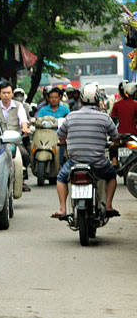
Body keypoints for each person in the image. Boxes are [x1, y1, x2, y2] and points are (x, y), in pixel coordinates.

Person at [52, 83, 121, 219]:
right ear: (97, 100)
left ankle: (62, 209)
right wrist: (114, 144)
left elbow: (60, 136)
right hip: (98, 163)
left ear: (81, 100)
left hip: (75, 162)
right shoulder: (105, 118)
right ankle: (108, 206)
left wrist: (63, 142)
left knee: (61, 178)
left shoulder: (70, 116)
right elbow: (116, 138)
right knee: (112, 176)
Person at [0, 83, 32, 192]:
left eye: (8, 93)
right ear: (0, 94)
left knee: (25, 155)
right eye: (4, 93)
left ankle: (22, 180)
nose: (6, 95)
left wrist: (25, 128)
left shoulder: (18, 106)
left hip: (15, 142)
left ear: (12, 94)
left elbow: (23, 120)